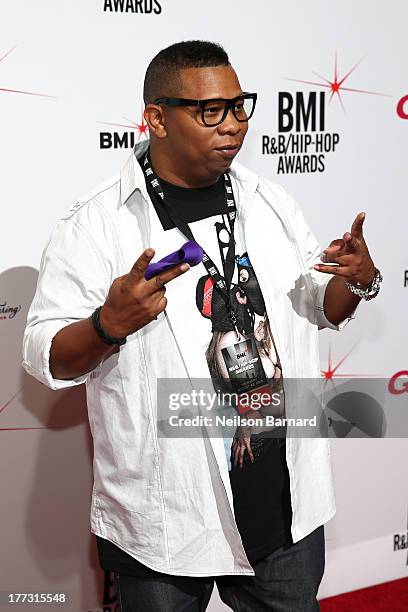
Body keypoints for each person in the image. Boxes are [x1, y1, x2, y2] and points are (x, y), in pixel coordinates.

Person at [22, 40, 382, 611]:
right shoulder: (95, 224)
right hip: (165, 519)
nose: (233, 125)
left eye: (240, 106)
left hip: (286, 502)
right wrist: (106, 325)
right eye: (211, 111)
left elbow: (321, 306)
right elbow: (46, 356)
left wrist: (355, 280)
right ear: (157, 119)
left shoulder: (271, 202)